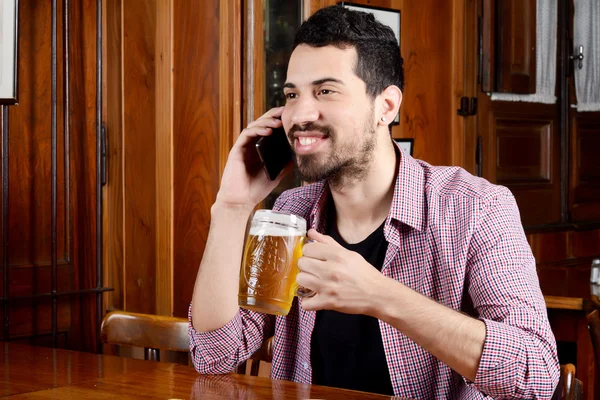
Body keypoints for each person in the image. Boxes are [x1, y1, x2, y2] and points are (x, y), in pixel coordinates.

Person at [188, 5, 559, 399]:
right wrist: (230, 208)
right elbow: (213, 356)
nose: (299, 114)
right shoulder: (289, 213)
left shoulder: (475, 207)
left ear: (386, 106)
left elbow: (535, 373)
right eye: (292, 94)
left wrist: (379, 295)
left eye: (325, 91)